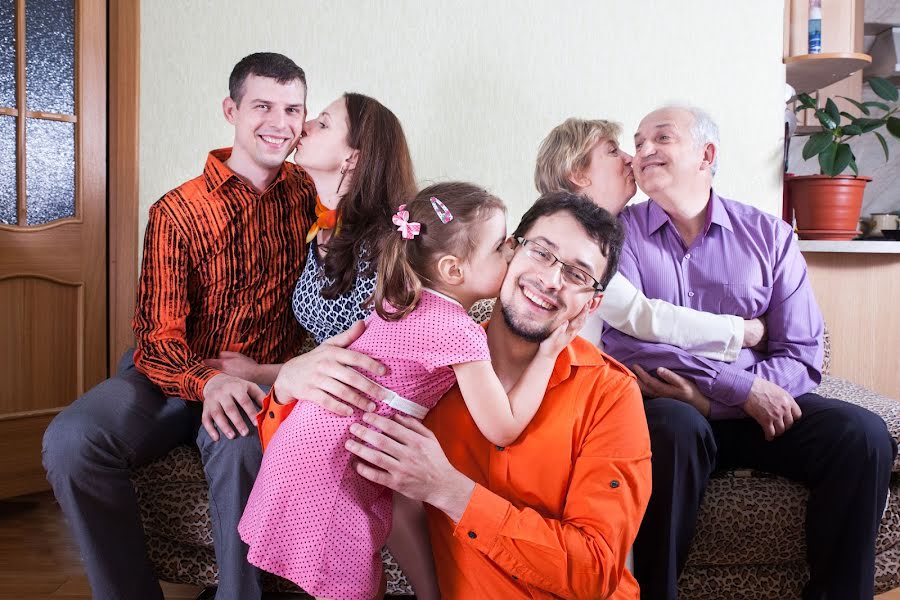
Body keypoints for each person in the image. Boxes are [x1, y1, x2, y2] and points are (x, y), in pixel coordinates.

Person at [267, 191, 652, 598]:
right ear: (510, 253)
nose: (551, 280)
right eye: (541, 252)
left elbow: (594, 573)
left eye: (577, 274)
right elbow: (317, 460)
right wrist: (287, 386)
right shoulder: (420, 369)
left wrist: (451, 492)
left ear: (591, 306)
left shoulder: (612, 395)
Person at [41, 53, 316, 600]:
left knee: (238, 445)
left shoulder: (310, 196)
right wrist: (206, 381)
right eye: (262, 106)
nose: (279, 123)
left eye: (293, 110)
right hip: (167, 377)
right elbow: (158, 338)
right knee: (71, 440)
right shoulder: (179, 211)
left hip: (252, 381)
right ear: (230, 110)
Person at [602, 105, 897, 600]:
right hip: (673, 410)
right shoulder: (619, 234)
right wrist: (737, 387)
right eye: (638, 141)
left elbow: (801, 352)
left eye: (661, 138)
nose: (643, 150)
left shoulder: (769, 237)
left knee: (863, 436)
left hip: (762, 415)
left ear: (706, 154)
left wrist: (727, 398)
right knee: (673, 426)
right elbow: (628, 344)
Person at [534, 116, 765, 356]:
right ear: (578, 174)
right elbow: (639, 315)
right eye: (613, 151)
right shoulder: (569, 235)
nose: (630, 159)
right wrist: (741, 331)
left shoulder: (598, 231)